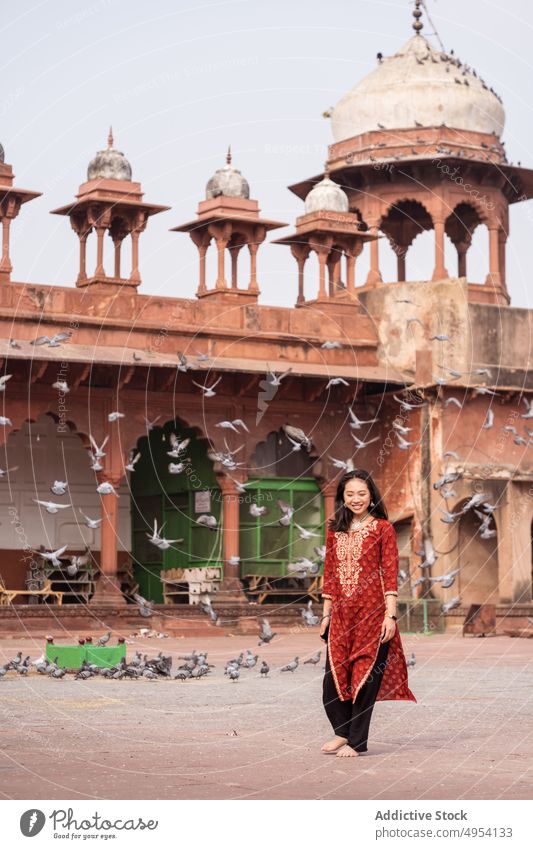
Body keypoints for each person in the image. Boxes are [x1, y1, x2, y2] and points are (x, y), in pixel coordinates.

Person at [321, 469, 416, 757]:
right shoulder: (334, 530)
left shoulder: (382, 529)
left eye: (361, 493)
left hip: (373, 616)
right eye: (350, 494)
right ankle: (342, 732)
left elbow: (389, 572)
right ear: (343, 497)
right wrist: (325, 615)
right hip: (340, 617)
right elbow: (330, 575)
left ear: (371, 495)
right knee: (333, 681)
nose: (356, 499)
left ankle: (356, 742)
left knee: (365, 680)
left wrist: (391, 616)